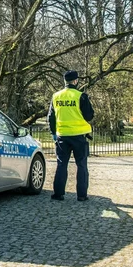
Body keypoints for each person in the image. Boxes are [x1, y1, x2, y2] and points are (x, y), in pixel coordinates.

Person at [47, 70, 94, 201]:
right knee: (81, 165)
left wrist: (53, 132)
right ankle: (82, 195)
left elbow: (51, 117)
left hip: (62, 135)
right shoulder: (81, 96)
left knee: (61, 164)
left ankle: (58, 193)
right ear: (75, 81)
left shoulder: (56, 96)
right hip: (79, 136)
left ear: (65, 81)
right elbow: (89, 116)